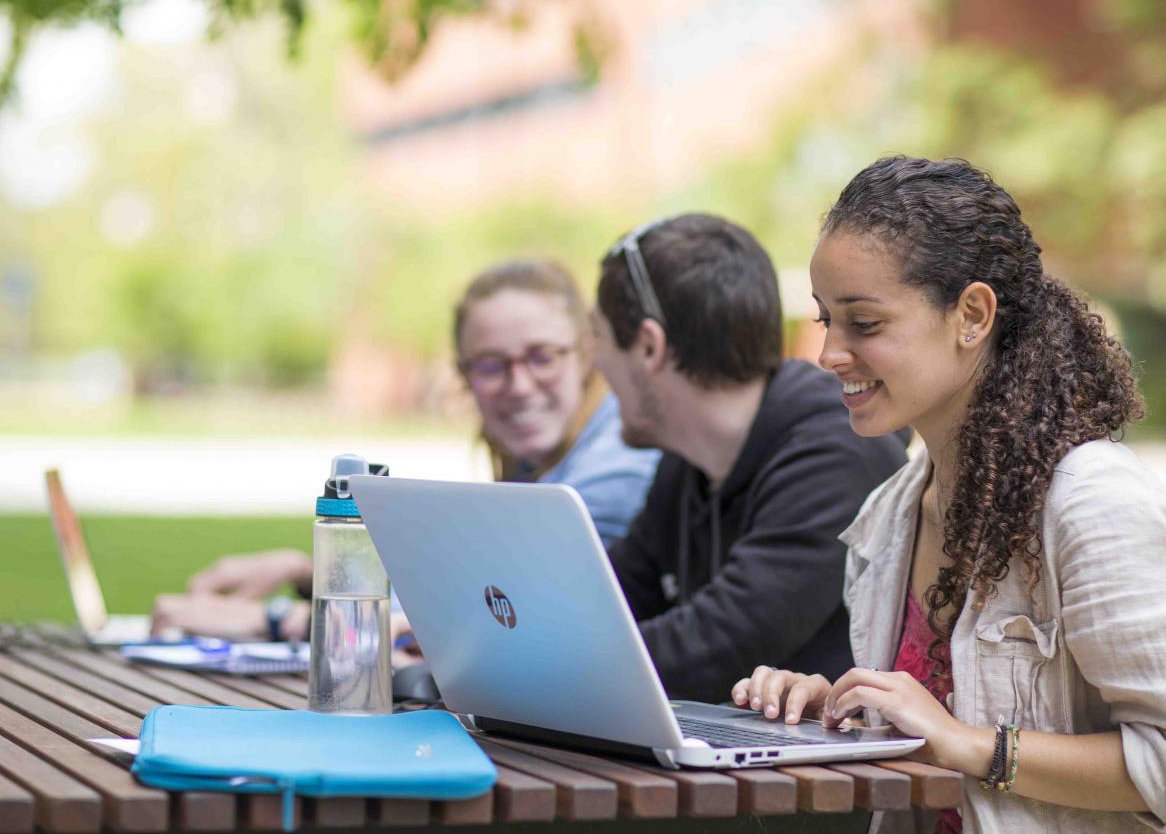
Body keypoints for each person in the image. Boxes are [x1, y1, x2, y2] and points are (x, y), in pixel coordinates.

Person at [732, 156, 1166, 832]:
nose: (828, 354)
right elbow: (926, 728)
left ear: (971, 314)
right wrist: (838, 711)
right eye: (826, 320)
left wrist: (971, 744)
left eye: (864, 324)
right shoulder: (889, 514)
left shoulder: (1092, 503)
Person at [151, 259, 660, 641]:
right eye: (490, 365)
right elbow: (463, 586)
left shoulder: (616, 467)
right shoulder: (544, 464)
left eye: (541, 357)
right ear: (465, 377)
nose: (519, 385)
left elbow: (492, 620)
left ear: (587, 356)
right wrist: (309, 571)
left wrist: (277, 619)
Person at [591, 212, 909, 703]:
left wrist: (531, 669)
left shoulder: (838, 449)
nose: (595, 363)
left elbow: (715, 650)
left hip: (840, 778)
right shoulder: (689, 462)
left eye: (600, 338)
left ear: (649, 346)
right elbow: (610, 599)